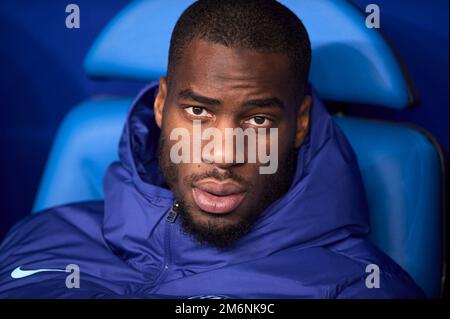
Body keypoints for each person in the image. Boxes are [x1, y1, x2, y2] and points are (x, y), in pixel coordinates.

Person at [0, 0, 424, 298]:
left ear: (301, 123)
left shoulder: (357, 286)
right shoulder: (44, 234)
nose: (223, 155)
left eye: (258, 120)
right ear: (162, 104)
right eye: (199, 111)